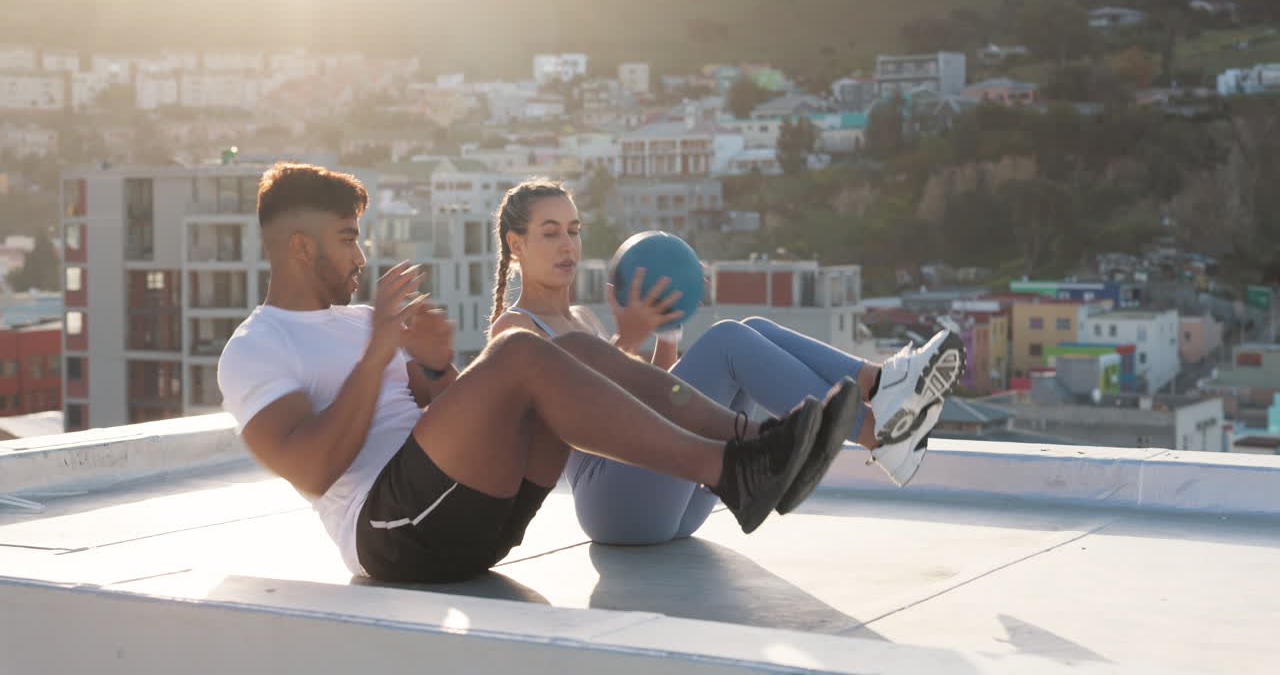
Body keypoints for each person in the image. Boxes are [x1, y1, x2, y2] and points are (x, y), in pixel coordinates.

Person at [217, 163, 859, 584]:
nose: (361, 255)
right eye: (346, 238)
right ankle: (729, 470)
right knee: (522, 349)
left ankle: (755, 442)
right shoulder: (255, 347)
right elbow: (312, 469)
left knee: (571, 347)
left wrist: (436, 366)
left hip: (478, 516)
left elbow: (451, 416)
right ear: (300, 247)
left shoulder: (366, 319)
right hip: (390, 534)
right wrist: (378, 352)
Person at [487, 179, 965, 545]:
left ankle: (880, 386)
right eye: (550, 233)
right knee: (727, 342)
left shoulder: (584, 318)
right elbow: (586, 416)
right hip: (613, 504)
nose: (568, 245)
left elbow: (656, 399)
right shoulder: (515, 328)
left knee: (751, 328)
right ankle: (879, 431)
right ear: (516, 244)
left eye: (573, 231)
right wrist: (627, 337)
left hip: (672, 498)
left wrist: (666, 333)